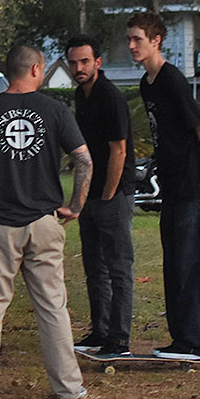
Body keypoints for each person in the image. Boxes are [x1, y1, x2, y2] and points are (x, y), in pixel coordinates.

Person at [0, 44, 93, 399]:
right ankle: (68, 387)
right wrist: (74, 206)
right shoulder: (55, 109)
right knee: (52, 306)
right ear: (36, 70)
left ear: (9, 71)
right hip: (44, 222)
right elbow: (84, 160)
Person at [128, 12, 200, 362]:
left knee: (191, 264)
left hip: (192, 185)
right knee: (174, 265)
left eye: (137, 39)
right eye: (129, 39)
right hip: (171, 187)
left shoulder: (172, 79)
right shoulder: (147, 83)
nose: (131, 45)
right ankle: (180, 340)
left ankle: (197, 343)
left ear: (156, 40)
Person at [66, 35, 135, 357]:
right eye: (73, 62)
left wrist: (107, 197)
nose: (79, 68)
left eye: (84, 61)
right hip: (91, 197)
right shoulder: (82, 95)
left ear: (98, 62)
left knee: (118, 268)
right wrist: (82, 199)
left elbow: (118, 150)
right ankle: (100, 332)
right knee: (94, 268)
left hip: (114, 195)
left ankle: (118, 339)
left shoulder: (110, 97)